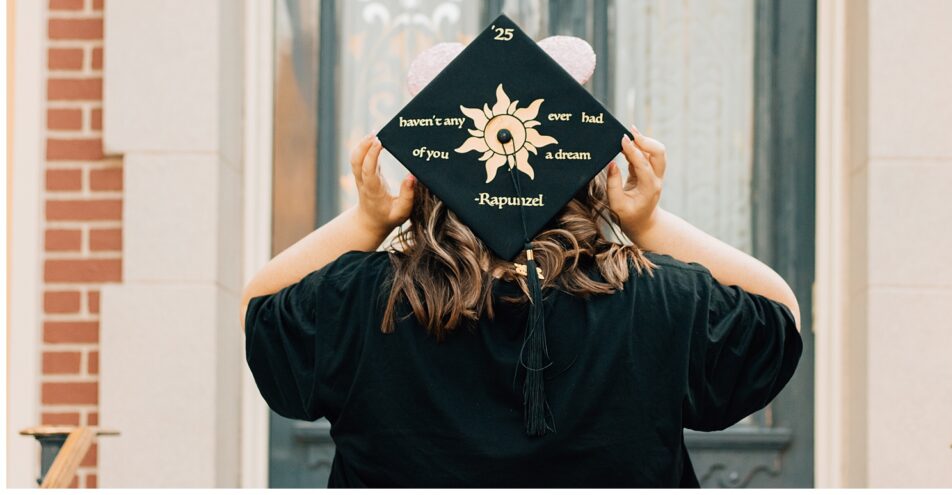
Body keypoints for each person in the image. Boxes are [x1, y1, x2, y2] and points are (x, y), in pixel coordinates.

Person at [240, 127, 802, 488]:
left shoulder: (363, 301)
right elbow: (780, 316)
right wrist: (647, 222)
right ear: (585, 186)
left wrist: (368, 222)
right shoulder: (660, 300)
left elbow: (260, 309)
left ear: (430, 186)